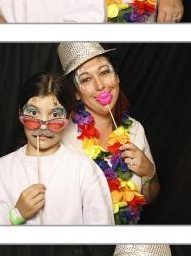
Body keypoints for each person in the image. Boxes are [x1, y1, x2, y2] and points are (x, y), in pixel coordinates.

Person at [0, 72, 113, 225]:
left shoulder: (84, 169)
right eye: (33, 112)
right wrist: (15, 214)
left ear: (69, 117)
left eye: (55, 114)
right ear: (20, 112)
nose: (43, 126)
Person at [58, 42, 159, 224]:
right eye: (86, 79)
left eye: (105, 72)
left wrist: (148, 173)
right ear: (76, 93)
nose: (100, 85)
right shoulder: (63, 139)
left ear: (117, 77)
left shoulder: (135, 129)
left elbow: (151, 199)